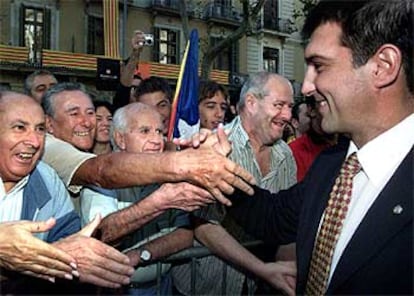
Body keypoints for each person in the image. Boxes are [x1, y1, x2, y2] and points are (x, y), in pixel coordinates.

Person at [224, 0, 413, 294]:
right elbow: (273, 217)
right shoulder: (332, 164)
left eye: (319, 66)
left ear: (383, 66)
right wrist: (213, 169)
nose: (306, 87)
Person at [40, 82, 255, 244]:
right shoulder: (47, 146)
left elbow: (185, 232)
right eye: (73, 113)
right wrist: (185, 163)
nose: (86, 122)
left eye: (89, 113)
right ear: (48, 123)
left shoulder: (146, 169)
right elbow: (102, 171)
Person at [172, 72, 297, 296]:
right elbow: (204, 227)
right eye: (279, 105)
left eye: (290, 106)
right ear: (251, 103)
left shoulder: (286, 154)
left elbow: (287, 224)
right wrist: (261, 269)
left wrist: (284, 272)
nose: (287, 115)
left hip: (258, 287)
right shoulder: (214, 146)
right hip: (206, 284)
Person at [0, 91, 135, 293]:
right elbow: (102, 171)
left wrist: (66, 255)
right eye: (20, 128)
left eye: (39, 129)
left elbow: (66, 243)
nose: (34, 142)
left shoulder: (47, 180)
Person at [82, 103, 195, 295]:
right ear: (120, 139)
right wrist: (159, 202)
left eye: (159, 131)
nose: (157, 140)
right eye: (145, 131)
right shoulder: (99, 179)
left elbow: (185, 234)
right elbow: (101, 237)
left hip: (162, 286)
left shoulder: (165, 179)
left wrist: (142, 254)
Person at [289, 96, 337, 181]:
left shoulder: (352, 145)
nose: (335, 108)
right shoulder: (293, 152)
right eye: (325, 103)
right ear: (311, 110)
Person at [113, 30, 145, 111]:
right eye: (133, 88)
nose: (136, 93)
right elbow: (125, 85)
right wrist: (136, 52)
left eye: (139, 89)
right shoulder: (121, 109)